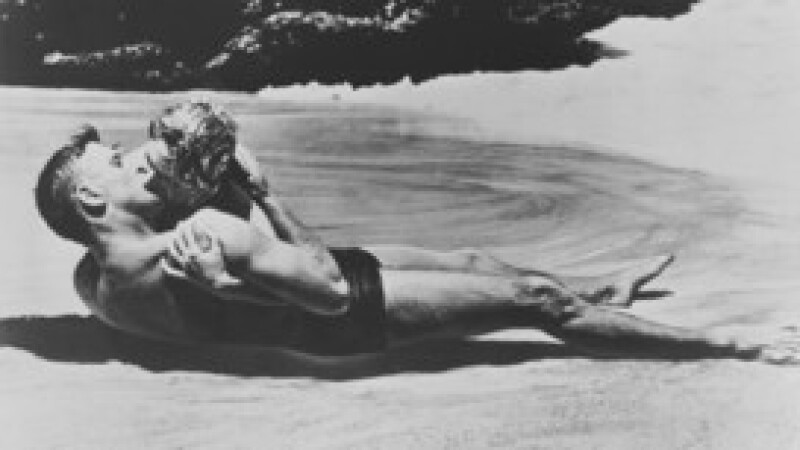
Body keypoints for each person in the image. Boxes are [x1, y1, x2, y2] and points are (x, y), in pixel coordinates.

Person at [33, 105, 798, 363]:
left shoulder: (93, 284)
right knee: (537, 301)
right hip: (337, 310)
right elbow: (328, 289)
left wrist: (229, 293)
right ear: (93, 197)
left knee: (471, 260)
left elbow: (195, 320)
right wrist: (258, 193)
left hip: (283, 289)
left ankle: (604, 296)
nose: (138, 158)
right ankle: (735, 345)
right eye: (119, 161)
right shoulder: (204, 234)